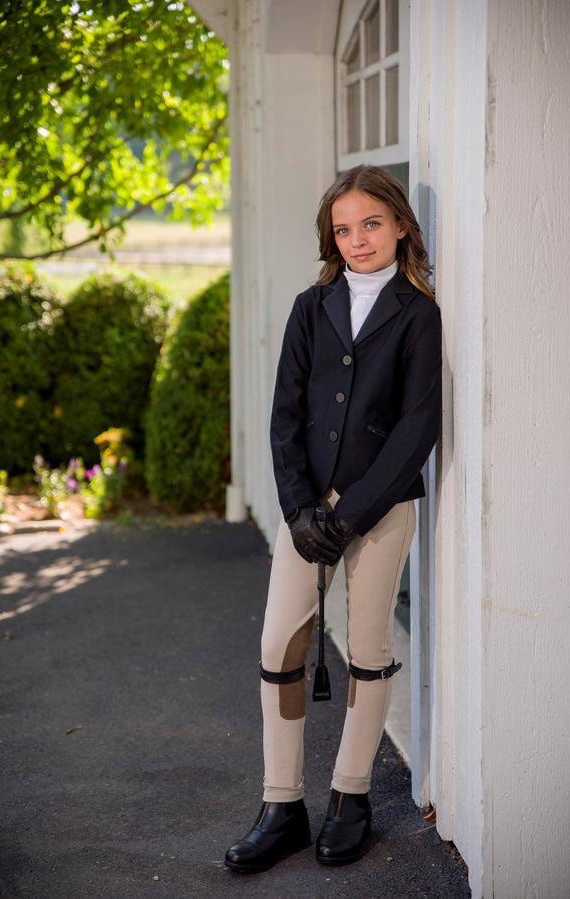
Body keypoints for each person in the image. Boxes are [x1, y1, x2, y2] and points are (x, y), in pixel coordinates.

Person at [225, 164, 442, 873]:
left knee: (369, 645)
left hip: (379, 510)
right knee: (280, 642)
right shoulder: (309, 307)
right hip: (305, 511)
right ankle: (281, 803)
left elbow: (417, 427)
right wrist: (297, 507)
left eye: (371, 224)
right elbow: (284, 416)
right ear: (330, 238)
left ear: (401, 225)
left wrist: (347, 516)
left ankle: (352, 794)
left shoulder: (418, 313)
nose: (357, 240)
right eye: (342, 229)